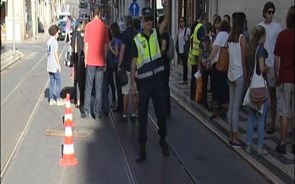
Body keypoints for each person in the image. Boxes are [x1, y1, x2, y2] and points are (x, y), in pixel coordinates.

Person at [130, 1, 170, 163]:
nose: (148, 22)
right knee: (143, 118)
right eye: (146, 19)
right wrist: (133, 84)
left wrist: (166, 5)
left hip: (157, 82)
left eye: (150, 19)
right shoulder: (137, 40)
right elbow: (133, 62)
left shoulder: (156, 33)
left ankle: (163, 139)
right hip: (144, 84)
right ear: (141, 21)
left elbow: (166, 20)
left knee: (161, 114)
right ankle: (142, 149)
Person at [81, 6, 109, 120]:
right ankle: (97, 113)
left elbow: (86, 45)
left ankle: (86, 112)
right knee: (99, 88)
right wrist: (105, 61)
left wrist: (85, 59)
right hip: (101, 62)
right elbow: (106, 46)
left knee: (88, 87)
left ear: (92, 13)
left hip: (91, 61)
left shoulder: (88, 26)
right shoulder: (104, 27)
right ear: (100, 13)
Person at [257, 1, 281, 134]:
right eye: (269, 12)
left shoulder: (277, 27)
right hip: (261, 64)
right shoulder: (259, 26)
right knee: (260, 95)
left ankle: (272, 122)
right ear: (264, 12)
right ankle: (262, 120)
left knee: (272, 95)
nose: (271, 15)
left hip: (271, 65)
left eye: (273, 12)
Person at [245, 25, 269, 156]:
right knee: (261, 118)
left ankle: (248, 144)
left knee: (251, 117)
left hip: (253, 85)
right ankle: (259, 147)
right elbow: (261, 67)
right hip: (260, 87)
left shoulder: (252, 49)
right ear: (262, 37)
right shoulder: (260, 50)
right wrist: (267, 68)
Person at [274, 5, 294, 154]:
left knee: (284, 111)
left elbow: (277, 60)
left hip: (285, 78)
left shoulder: (282, 35)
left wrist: (277, 76)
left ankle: (282, 142)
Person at [227, 12, 248, 148]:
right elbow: (244, 60)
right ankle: (235, 138)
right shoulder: (242, 38)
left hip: (230, 74)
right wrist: (247, 77)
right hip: (239, 75)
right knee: (236, 108)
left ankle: (230, 134)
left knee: (230, 107)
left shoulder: (230, 38)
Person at [206, 20, 231, 117]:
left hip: (217, 64)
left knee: (216, 87)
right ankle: (223, 107)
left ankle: (216, 108)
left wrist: (209, 59)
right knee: (223, 86)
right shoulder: (228, 35)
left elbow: (215, 48)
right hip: (225, 65)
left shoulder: (220, 35)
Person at [117, 16, 137, 123]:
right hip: (136, 67)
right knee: (134, 92)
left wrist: (119, 64)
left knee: (125, 93)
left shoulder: (125, 34)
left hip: (126, 67)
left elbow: (122, 50)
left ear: (126, 23)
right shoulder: (137, 34)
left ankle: (125, 115)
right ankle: (134, 114)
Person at [188, 12, 207, 101]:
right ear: (204, 19)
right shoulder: (201, 28)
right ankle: (198, 95)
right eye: (206, 20)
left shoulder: (196, 27)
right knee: (198, 75)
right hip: (198, 55)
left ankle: (193, 94)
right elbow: (202, 43)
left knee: (194, 75)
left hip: (193, 54)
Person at [46, 25, 64, 106]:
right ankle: (58, 99)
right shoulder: (54, 42)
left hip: (49, 65)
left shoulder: (48, 41)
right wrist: (59, 65)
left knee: (51, 83)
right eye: (58, 33)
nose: (58, 35)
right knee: (59, 83)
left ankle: (51, 99)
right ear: (55, 33)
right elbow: (56, 54)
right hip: (54, 65)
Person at [158, 15, 171, 116]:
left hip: (163, 63)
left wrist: (158, 57)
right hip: (165, 63)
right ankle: (166, 108)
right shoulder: (165, 34)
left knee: (163, 87)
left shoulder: (164, 35)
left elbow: (163, 48)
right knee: (164, 86)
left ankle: (165, 109)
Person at [176, 17, 190, 85]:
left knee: (185, 65)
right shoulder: (179, 30)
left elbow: (190, 38)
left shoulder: (187, 30)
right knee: (183, 64)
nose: (181, 23)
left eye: (182, 21)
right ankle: (184, 79)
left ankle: (185, 79)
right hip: (180, 50)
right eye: (180, 21)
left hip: (184, 50)